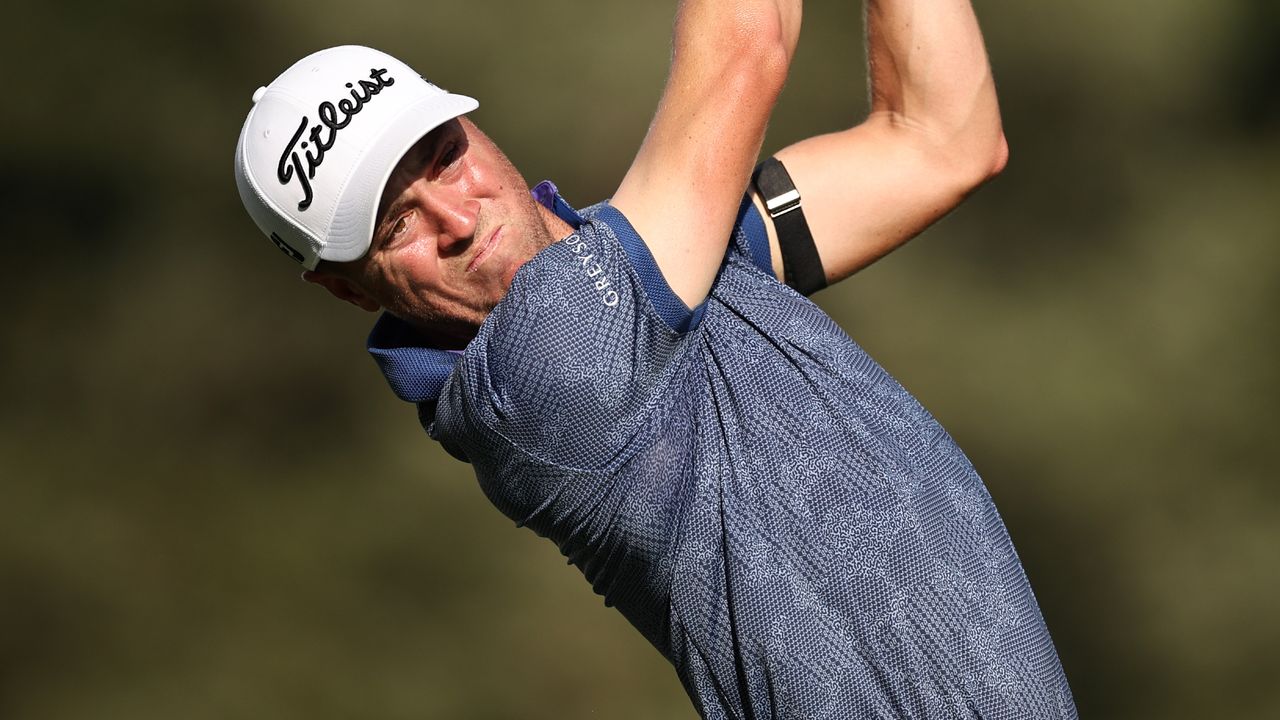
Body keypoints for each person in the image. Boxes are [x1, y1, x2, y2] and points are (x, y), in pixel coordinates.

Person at [234, 1, 1077, 717]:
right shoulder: (541, 376)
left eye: (442, 156)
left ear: (472, 126)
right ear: (347, 290)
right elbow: (747, 41)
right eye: (396, 227)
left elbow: (941, 138)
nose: (457, 217)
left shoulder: (665, 262)